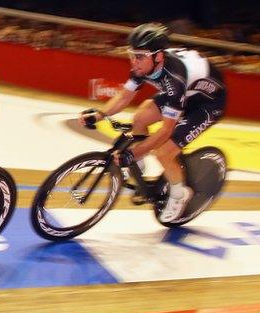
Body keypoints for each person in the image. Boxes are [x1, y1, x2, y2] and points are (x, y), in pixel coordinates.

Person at [79, 23, 226, 222]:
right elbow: (124, 97)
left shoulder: (174, 78)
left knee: (164, 152)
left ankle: (179, 195)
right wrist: (99, 114)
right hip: (186, 93)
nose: (134, 61)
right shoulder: (144, 65)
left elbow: (166, 130)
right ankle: (139, 168)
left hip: (207, 104)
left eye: (140, 56)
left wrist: (133, 153)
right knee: (139, 118)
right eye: (131, 54)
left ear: (158, 56)